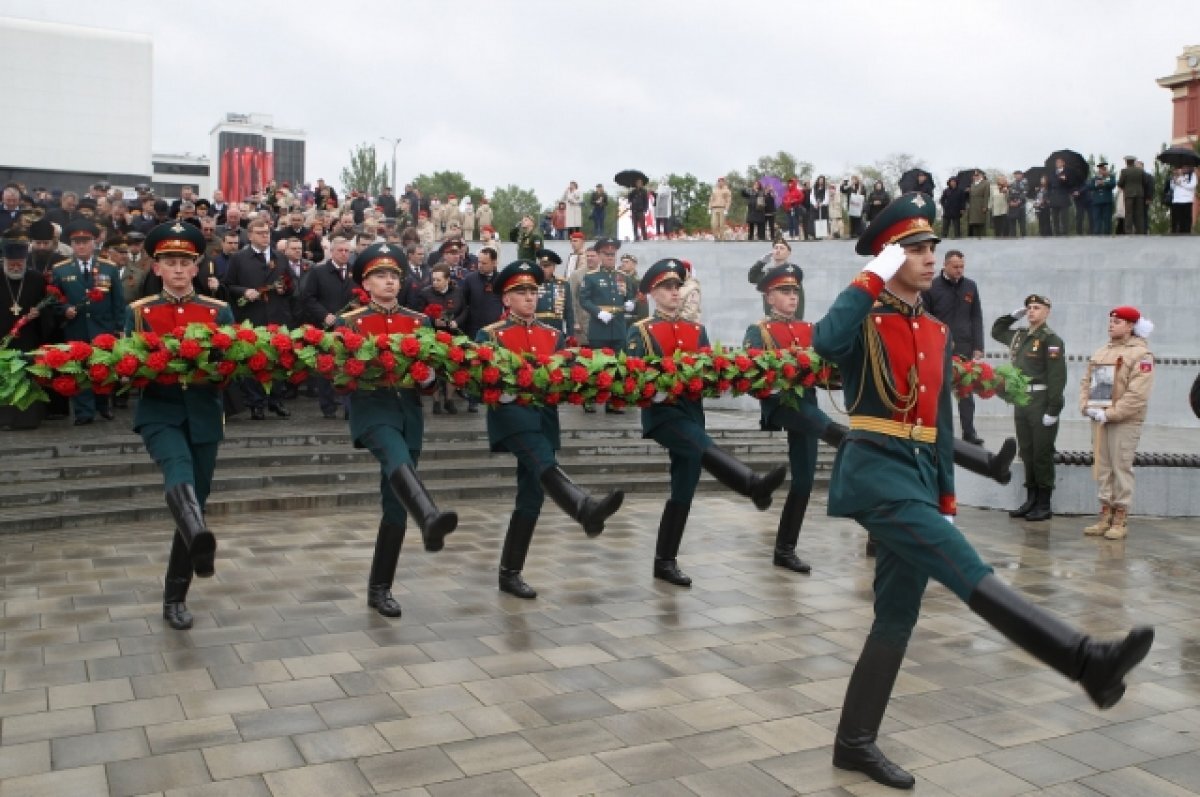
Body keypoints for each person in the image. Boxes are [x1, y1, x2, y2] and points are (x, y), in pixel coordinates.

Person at [812, 194, 1153, 790]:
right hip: (876, 474)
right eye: (911, 250)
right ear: (889, 258)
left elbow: (940, 425)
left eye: (928, 248)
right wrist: (870, 274)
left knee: (896, 615)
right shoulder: (862, 316)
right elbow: (823, 340)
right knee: (968, 569)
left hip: (918, 478)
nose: (925, 257)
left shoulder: (937, 330)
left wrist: (946, 499)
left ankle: (853, 743)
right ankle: (1083, 660)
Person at [627, 259, 787, 587]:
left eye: (677, 286)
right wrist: (653, 391)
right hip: (662, 414)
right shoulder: (640, 330)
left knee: (684, 486)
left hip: (691, 412)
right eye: (667, 288)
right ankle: (751, 484)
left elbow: (705, 372)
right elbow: (631, 375)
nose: (674, 293)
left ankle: (665, 561)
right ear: (653, 293)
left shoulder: (697, 331)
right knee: (701, 446)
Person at [477, 260, 624, 598]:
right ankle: (582, 507)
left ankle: (510, 573)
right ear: (506, 299)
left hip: (544, 417)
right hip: (511, 416)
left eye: (533, 290)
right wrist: (503, 387)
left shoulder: (554, 336)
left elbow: (563, 381)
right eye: (521, 292)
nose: (530, 297)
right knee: (542, 460)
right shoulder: (490, 335)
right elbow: (474, 382)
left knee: (531, 496)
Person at [125, 221, 235, 630]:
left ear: (196, 267)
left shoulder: (217, 311)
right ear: (156, 268)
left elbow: (231, 366)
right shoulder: (140, 313)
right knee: (179, 473)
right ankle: (197, 541)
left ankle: (176, 596)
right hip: (160, 413)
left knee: (194, 503)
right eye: (169, 261)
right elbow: (129, 368)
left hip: (205, 414)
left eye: (184, 262)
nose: (176, 269)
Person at [338, 243, 457, 618]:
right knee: (395, 456)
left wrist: (430, 375)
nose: (389, 281)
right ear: (365, 283)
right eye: (380, 276)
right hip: (373, 410)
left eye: (394, 276)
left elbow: (428, 380)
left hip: (409, 413)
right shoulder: (351, 322)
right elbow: (338, 376)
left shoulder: (419, 322)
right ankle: (430, 516)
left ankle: (380, 588)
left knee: (395, 502)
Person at [743, 262, 833, 573]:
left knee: (805, 481)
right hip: (781, 404)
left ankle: (785, 549)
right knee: (832, 430)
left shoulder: (809, 330)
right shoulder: (759, 331)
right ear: (770, 297)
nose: (792, 296)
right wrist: (774, 386)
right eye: (784, 291)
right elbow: (750, 377)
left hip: (807, 405)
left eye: (795, 291)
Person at [1079, 306, 1155, 541]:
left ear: (1131, 326)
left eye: (1118, 321)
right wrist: (1086, 406)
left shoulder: (1142, 355)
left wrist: (1111, 413)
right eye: (1111, 320)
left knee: (1120, 466)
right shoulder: (1102, 351)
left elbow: (1137, 395)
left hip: (1124, 421)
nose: (1111, 324)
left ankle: (1120, 517)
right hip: (1099, 418)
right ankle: (1105, 514)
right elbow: (1086, 381)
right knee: (1102, 468)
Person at [992, 294, 1067, 522]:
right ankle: (1031, 498)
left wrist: (1053, 409)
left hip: (1041, 401)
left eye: (1036, 308)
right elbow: (997, 331)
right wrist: (1012, 316)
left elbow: (1057, 377)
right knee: (1026, 451)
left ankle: (1044, 503)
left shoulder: (1051, 339)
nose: (1032, 311)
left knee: (1041, 453)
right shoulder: (1019, 336)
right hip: (1021, 400)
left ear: (1047, 312)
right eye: (1029, 308)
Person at [49, 219, 126, 425]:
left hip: (103, 327)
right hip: (76, 327)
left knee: (103, 367)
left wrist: (119, 328)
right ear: (71, 245)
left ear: (94, 243)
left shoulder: (108, 268)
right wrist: (65, 310)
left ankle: (103, 405)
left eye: (85, 241)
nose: (81, 246)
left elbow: (118, 301)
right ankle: (84, 411)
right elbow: (55, 298)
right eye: (76, 242)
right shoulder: (61, 269)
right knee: (80, 369)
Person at [221, 218, 293, 420]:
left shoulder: (280, 257)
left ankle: (276, 400)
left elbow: (291, 286)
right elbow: (228, 285)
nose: (265, 235)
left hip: (276, 315)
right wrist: (244, 291)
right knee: (254, 360)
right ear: (250, 235)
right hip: (251, 316)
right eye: (260, 232)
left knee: (278, 360)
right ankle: (256, 403)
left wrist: (285, 287)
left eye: (267, 232)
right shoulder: (239, 258)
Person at [921, 250, 985, 444]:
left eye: (962, 267)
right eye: (955, 267)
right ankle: (937, 431)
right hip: (939, 347)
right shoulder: (932, 286)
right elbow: (925, 316)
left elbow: (976, 317)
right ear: (946, 265)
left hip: (964, 347)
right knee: (939, 391)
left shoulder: (970, 286)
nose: (959, 270)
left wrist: (978, 346)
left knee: (966, 391)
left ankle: (969, 432)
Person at [579, 237, 637, 413]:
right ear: (599, 255)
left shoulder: (623, 277)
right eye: (607, 254)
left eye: (613, 254)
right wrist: (597, 312)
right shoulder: (591, 277)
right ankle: (589, 398)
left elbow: (630, 296)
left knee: (618, 364)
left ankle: (614, 400)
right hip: (600, 325)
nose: (610, 257)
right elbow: (583, 299)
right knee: (597, 364)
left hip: (619, 325)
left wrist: (630, 303)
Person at [301, 235, 357, 419]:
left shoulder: (354, 272)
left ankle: (349, 406)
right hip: (325, 327)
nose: (344, 254)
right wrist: (324, 314)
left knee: (349, 365)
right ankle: (328, 406)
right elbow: (308, 298)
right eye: (340, 250)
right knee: (326, 366)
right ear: (331, 251)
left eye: (347, 251)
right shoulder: (318, 272)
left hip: (348, 328)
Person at [748, 238, 804, 317]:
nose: (778, 250)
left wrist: (798, 321)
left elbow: (799, 300)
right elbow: (752, 278)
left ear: (788, 253)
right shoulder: (768, 274)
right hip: (771, 318)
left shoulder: (792, 274)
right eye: (775, 248)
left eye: (782, 248)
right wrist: (761, 262)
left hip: (789, 319)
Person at [534, 248, 573, 339]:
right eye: (541, 266)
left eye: (546, 266)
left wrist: (570, 334)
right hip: (537, 326)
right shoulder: (533, 283)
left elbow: (569, 311)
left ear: (553, 267)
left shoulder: (563, 284)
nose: (542, 269)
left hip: (556, 328)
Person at [1117, 156, 1145, 235]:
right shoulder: (1140, 171)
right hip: (1139, 194)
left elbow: (1120, 183)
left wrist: (1125, 187)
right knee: (1139, 213)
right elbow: (1144, 182)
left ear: (1126, 162)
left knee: (1128, 213)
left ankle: (1128, 231)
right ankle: (1140, 231)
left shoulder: (1124, 171)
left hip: (1129, 195)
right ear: (1133, 162)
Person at [1089, 163, 1117, 236]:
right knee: (1096, 218)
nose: (1102, 171)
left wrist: (1104, 183)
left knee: (1107, 218)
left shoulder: (1111, 177)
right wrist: (1096, 184)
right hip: (1096, 202)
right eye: (1100, 169)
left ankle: (1107, 233)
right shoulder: (1094, 178)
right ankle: (1097, 233)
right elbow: (1090, 186)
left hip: (1107, 201)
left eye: (1104, 169)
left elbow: (1113, 184)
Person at [1169, 167, 1196, 234]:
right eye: (1182, 167)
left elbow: (1192, 186)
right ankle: (1175, 232)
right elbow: (1172, 187)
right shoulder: (1177, 175)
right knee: (1176, 219)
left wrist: (1181, 183)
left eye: (1185, 167)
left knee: (1186, 219)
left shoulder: (1192, 175)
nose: (1184, 169)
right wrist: (1174, 180)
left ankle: (1186, 233)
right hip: (1176, 200)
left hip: (1187, 200)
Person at [966, 171, 990, 237]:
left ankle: (982, 239)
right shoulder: (972, 184)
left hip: (980, 205)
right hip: (972, 206)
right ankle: (975, 239)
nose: (975, 176)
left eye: (977, 175)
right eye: (974, 175)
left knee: (981, 223)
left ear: (981, 175)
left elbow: (986, 195)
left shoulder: (986, 183)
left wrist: (985, 206)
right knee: (974, 224)